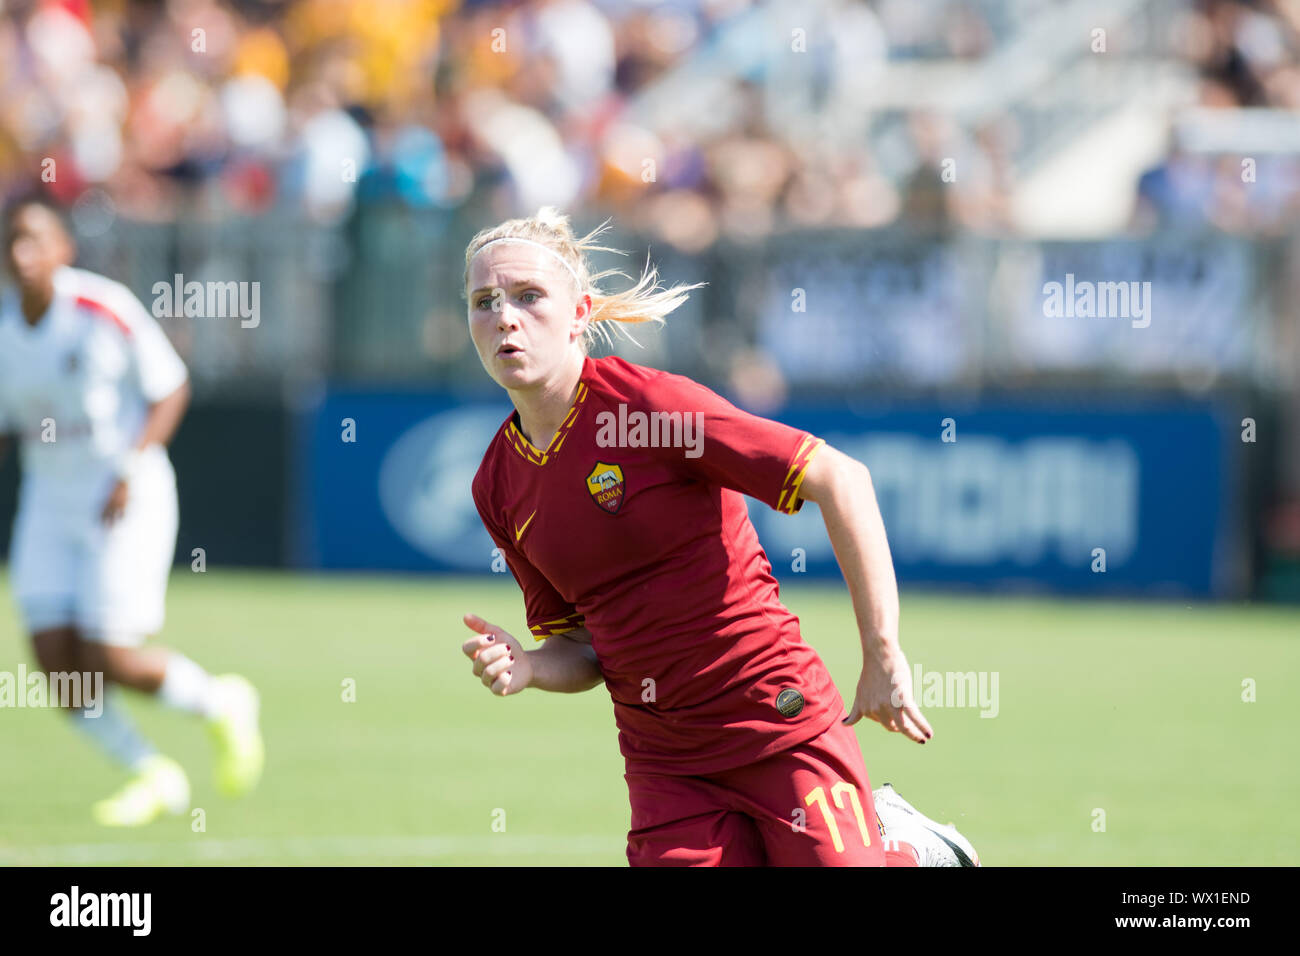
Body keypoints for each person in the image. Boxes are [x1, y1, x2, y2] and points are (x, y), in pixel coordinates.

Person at [460, 206, 980, 866]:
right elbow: (583, 644)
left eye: (529, 296)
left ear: (580, 313)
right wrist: (531, 666)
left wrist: (883, 655)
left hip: (778, 719)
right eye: (484, 301)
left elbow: (841, 479)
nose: (505, 316)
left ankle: (907, 848)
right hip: (667, 764)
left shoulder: (650, 408)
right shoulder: (497, 484)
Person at [0, 193, 265, 827]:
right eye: (12, 241)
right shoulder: (7, 331)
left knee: (110, 657)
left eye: (35, 239)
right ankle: (152, 773)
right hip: (48, 503)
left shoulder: (100, 309)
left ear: (64, 250)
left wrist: (129, 464)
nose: (20, 253)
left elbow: (170, 386)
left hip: (123, 498)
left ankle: (223, 700)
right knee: (58, 665)